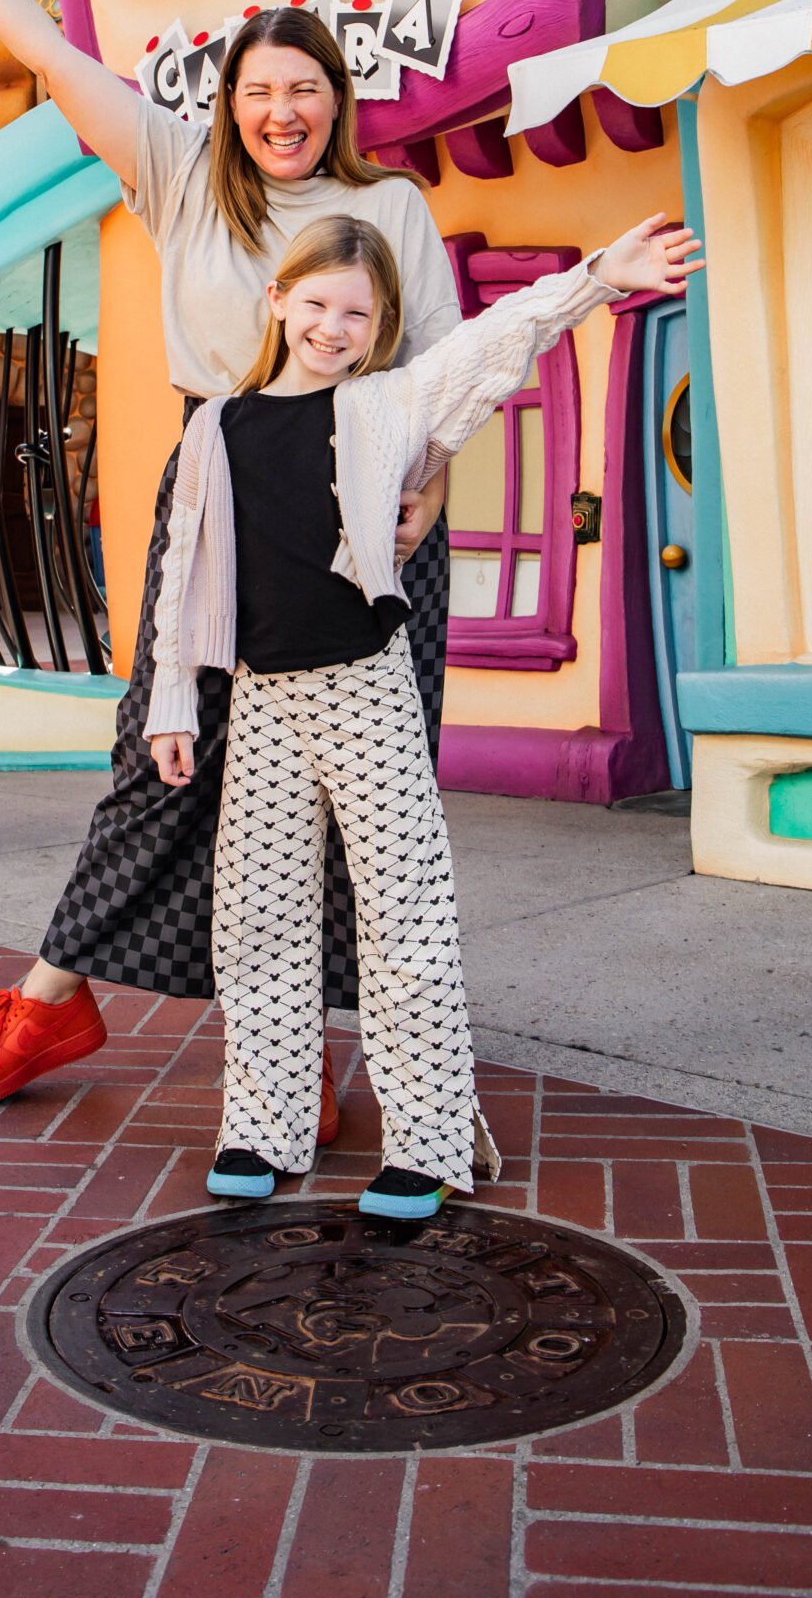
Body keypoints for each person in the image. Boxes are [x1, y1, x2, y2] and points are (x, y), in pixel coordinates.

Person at [0, 0, 461, 1137]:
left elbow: (441, 374)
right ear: (228, 105)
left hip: (370, 523)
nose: (282, 112)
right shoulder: (182, 178)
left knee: (365, 797)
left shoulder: (392, 207)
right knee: (158, 756)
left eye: (304, 89)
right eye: (259, 92)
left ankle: (315, 1052)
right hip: (223, 508)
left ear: (337, 100)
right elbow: (55, 47)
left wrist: (434, 483)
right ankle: (49, 999)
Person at [147, 207, 703, 1218]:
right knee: (257, 920)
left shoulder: (389, 406)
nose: (332, 325)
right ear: (278, 301)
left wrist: (599, 275)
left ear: (380, 324)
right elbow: (182, 573)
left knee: (407, 914)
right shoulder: (215, 426)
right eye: (315, 301)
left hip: (365, 685)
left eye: (356, 312)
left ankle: (431, 1141)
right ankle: (263, 1131)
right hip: (265, 699)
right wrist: (171, 703)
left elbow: (504, 337)